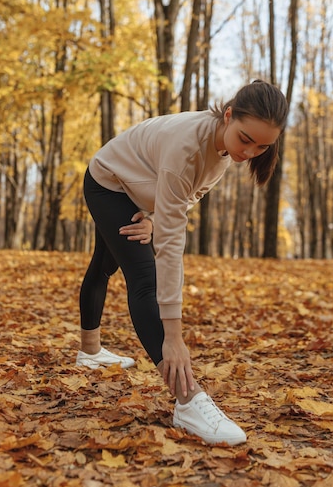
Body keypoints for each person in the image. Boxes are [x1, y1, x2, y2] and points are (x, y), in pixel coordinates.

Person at [76, 79, 288, 445]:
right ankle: (188, 400)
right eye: (246, 139)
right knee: (146, 278)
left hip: (137, 194)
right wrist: (173, 337)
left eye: (263, 146)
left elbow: (189, 196)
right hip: (109, 183)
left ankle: (90, 352)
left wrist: (153, 218)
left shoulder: (221, 151)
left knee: (103, 266)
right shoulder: (187, 145)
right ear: (228, 115)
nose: (250, 152)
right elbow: (171, 245)